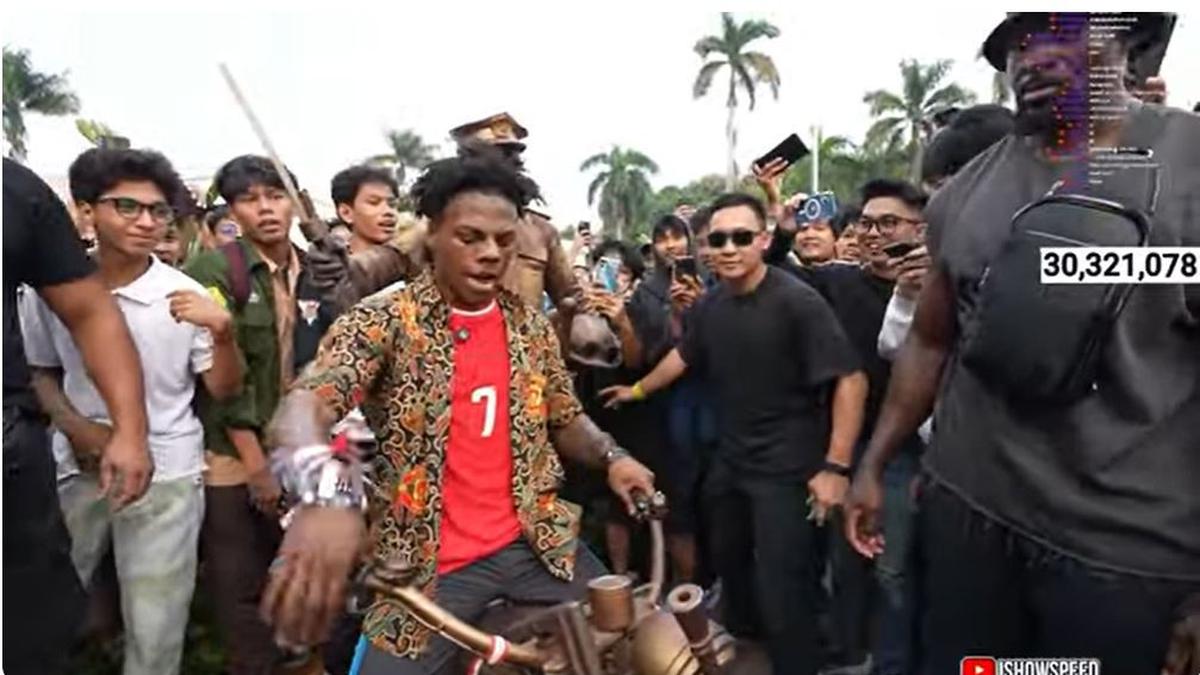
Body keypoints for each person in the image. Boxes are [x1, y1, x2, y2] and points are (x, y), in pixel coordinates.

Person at [845, 12, 1198, 674]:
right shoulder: (963, 194)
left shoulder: (1190, 166)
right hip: (970, 516)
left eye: (1062, 35)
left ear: (1124, 45)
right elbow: (929, 341)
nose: (1033, 59)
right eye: (1018, 46)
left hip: (1122, 555)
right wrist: (874, 461)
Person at [256, 152, 656, 674]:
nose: (491, 254)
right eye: (470, 238)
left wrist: (613, 457)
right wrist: (327, 495)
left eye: (505, 241)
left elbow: (564, 417)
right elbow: (303, 405)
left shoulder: (530, 328)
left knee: (643, 644)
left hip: (536, 544)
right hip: (428, 566)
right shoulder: (383, 322)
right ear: (432, 237)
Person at [603, 193, 867, 675]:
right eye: (718, 240)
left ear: (764, 240)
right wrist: (637, 390)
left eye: (741, 238)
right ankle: (748, 657)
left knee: (785, 589)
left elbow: (851, 379)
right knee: (730, 570)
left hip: (787, 468)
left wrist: (835, 467)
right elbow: (684, 356)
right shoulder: (712, 305)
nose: (728, 248)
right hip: (732, 462)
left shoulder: (797, 302)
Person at [19, 147, 243, 675]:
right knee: (45, 609)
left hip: (166, 472)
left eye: (158, 211)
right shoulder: (52, 290)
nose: (146, 222)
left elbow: (224, 388)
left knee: (156, 624)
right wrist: (77, 428)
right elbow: (39, 371)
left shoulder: (184, 294)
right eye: (127, 207)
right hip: (77, 468)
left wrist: (223, 333)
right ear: (85, 211)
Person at [184, 155, 335, 675]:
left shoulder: (315, 269)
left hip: (303, 445)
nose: (266, 209)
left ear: (293, 202)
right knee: (240, 580)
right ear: (233, 211)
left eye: (275, 196)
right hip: (232, 451)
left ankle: (307, 661)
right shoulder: (212, 271)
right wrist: (255, 464)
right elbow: (222, 381)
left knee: (307, 572)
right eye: (250, 200)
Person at [2, 158, 152, 675]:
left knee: (28, 638)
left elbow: (90, 311)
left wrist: (130, 431)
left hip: (9, 469)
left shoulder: (14, 191)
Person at [309, 112, 582, 316]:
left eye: (509, 157)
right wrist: (335, 263)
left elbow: (571, 301)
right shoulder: (432, 228)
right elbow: (364, 273)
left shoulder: (541, 232)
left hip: (524, 369)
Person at [330, 164, 401, 255]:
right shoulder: (328, 261)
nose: (388, 211)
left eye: (392, 204)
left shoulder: (411, 260)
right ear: (346, 213)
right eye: (374, 202)